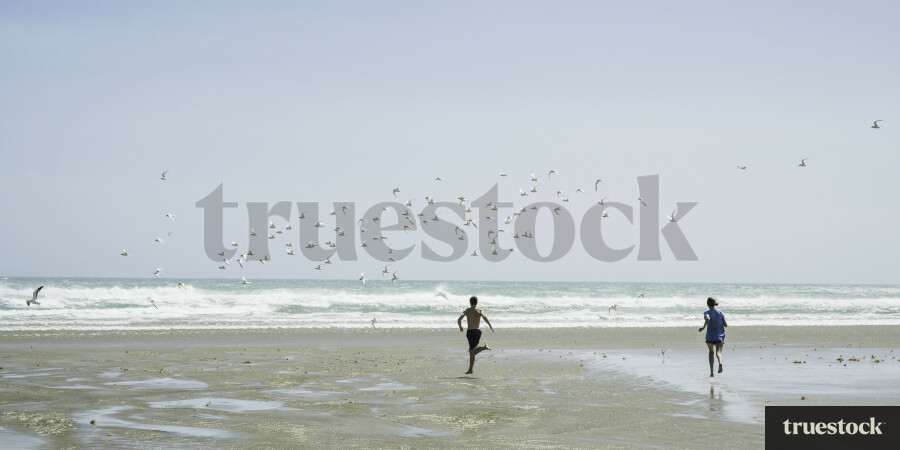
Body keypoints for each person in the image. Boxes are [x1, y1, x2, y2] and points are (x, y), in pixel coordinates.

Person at [458, 296, 494, 374]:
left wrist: (460, 327)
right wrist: (490, 326)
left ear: (470, 302)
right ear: (476, 303)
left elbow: (459, 319)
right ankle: (470, 369)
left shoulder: (467, 311)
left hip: (470, 332)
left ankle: (484, 348)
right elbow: (484, 317)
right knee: (471, 350)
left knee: (473, 351)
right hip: (477, 332)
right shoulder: (480, 310)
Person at [698, 296, 727, 377]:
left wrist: (703, 328)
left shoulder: (706, 313)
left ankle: (711, 372)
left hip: (710, 337)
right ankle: (720, 363)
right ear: (715, 304)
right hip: (719, 336)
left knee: (711, 352)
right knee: (718, 352)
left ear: (707, 304)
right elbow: (725, 325)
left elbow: (707, 318)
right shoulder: (720, 312)